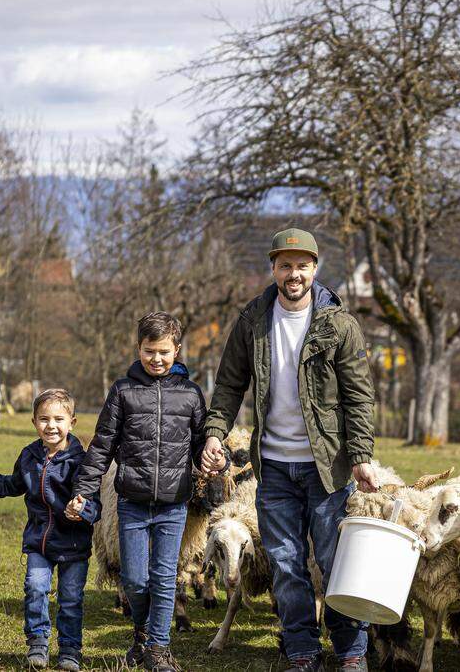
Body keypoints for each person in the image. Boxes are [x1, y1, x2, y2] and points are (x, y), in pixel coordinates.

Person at [200, 228, 379, 672]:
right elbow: (228, 386)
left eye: (302, 265)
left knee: (334, 560)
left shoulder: (339, 324)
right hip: (274, 467)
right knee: (285, 564)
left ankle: (350, 650)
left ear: (314, 268)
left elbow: (359, 396)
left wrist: (360, 456)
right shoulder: (253, 320)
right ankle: (301, 650)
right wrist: (214, 434)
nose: (293, 273)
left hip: (327, 467)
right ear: (273, 267)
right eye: (285, 265)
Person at [68, 312, 225, 672]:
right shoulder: (123, 391)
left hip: (173, 504)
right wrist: (85, 490)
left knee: (164, 577)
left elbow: (203, 442)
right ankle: (141, 632)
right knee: (136, 580)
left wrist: (218, 457)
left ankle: (158, 649)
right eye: (149, 351)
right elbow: (102, 446)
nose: (156, 359)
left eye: (164, 352)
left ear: (177, 350)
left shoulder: (190, 394)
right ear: (139, 348)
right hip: (132, 502)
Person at [0, 388, 99, 671]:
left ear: (72, 422)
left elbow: (95, 507)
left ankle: (69, 650)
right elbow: (13, 485)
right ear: (34, 422)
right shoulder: (29, 455)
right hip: (39, 541)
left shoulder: (82, 461)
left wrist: (82, 510)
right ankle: (38, 643)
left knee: (71, 599)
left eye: (58, 419)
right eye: (44, 419)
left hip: (73, 545)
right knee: (36, 588)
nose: (51, 426)